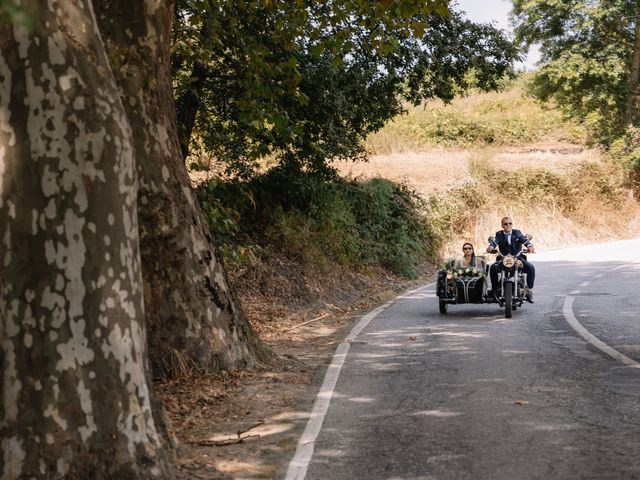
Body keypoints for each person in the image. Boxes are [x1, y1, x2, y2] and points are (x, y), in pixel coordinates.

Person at [486, 216, 536, 302]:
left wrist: (530, 246)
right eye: (505, 224)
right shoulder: (499, 234)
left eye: (510, 223)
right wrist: (490, 247)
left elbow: (524, 240)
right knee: (493, 268)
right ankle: (494, 289)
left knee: (531, 268)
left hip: (517, 258)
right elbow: (495, 242)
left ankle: (529, 290)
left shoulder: (517, 233)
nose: (508, 225)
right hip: (503, 258)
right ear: (502, 225)